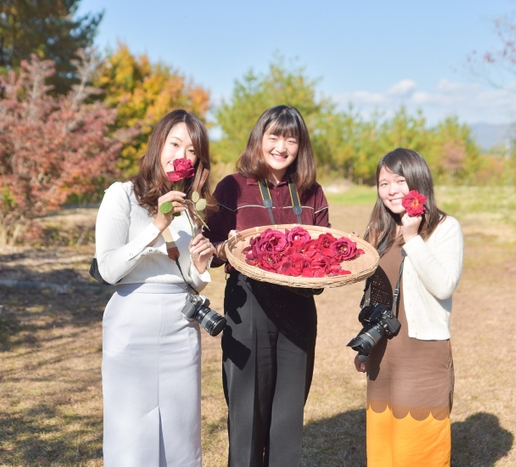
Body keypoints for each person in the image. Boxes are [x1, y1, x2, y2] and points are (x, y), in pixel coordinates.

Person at [206, 105, 330, 467]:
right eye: (273, 136)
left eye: (290, 139)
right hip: (247, 308)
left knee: (288, 419)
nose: (281, 147)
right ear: (259, 139)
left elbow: (323, 262)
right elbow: (210, 250)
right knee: (247, 417)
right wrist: (224, 247)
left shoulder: (312, 193)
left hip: (298, 309)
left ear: (300, 146)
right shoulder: (233, 186)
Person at [95, 109, 217, 467]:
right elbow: (109, 269)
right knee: (131, 432)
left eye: (191, 151)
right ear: (158, 144)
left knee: (181, 432)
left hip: (180, 326)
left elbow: (186, 278)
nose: (181, 156)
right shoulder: (122, 195)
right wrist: (157, 224)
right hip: (132, 322)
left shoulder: (188, 205)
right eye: (175, 144)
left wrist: (199, 266)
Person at [352, 148, 464, 466]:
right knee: (383, 450)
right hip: (382, 356)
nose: (391, 190)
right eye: (383, 183)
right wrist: (365, 346)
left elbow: (443, 285)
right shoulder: (382, 232)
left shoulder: (444, 228)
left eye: (399, 180)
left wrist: (413, 238)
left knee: (418, 450)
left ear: (417, 181)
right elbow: (377, 297)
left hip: (422, 356)